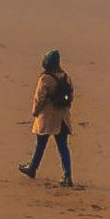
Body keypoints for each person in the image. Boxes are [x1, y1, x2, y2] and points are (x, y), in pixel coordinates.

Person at [21, 48, 76, 185]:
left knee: (40, 144)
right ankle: (67, 176)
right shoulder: (65, 76)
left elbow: (39, 99)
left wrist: (35, 112)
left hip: (48, 118)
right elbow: (71, 96)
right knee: (63, 147)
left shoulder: (45, 79)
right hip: (63, 118)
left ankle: (32, 168)